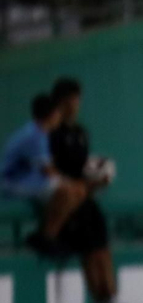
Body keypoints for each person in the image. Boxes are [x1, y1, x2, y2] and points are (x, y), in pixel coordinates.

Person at [47, 77, 134, 303]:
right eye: (71, 100)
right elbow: (52, 170)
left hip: (86, 197)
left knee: (101, 247)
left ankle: (110, 301)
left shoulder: (80, 132)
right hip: (68, 200)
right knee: (88, 251)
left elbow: (83, 168)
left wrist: (97, 180)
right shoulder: (51, 135)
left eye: (76, 99)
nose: (75, 104)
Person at [1, 93, 88, 248]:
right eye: (58, 113)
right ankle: (46, 236)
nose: (59, 117)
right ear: (52, 114)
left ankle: (49, 233)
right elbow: (47, 170)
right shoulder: (34, 135)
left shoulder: (39, 132)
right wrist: (69, 183)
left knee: (76, 190)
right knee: (70, 191)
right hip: (12, 184)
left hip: (27, 181)